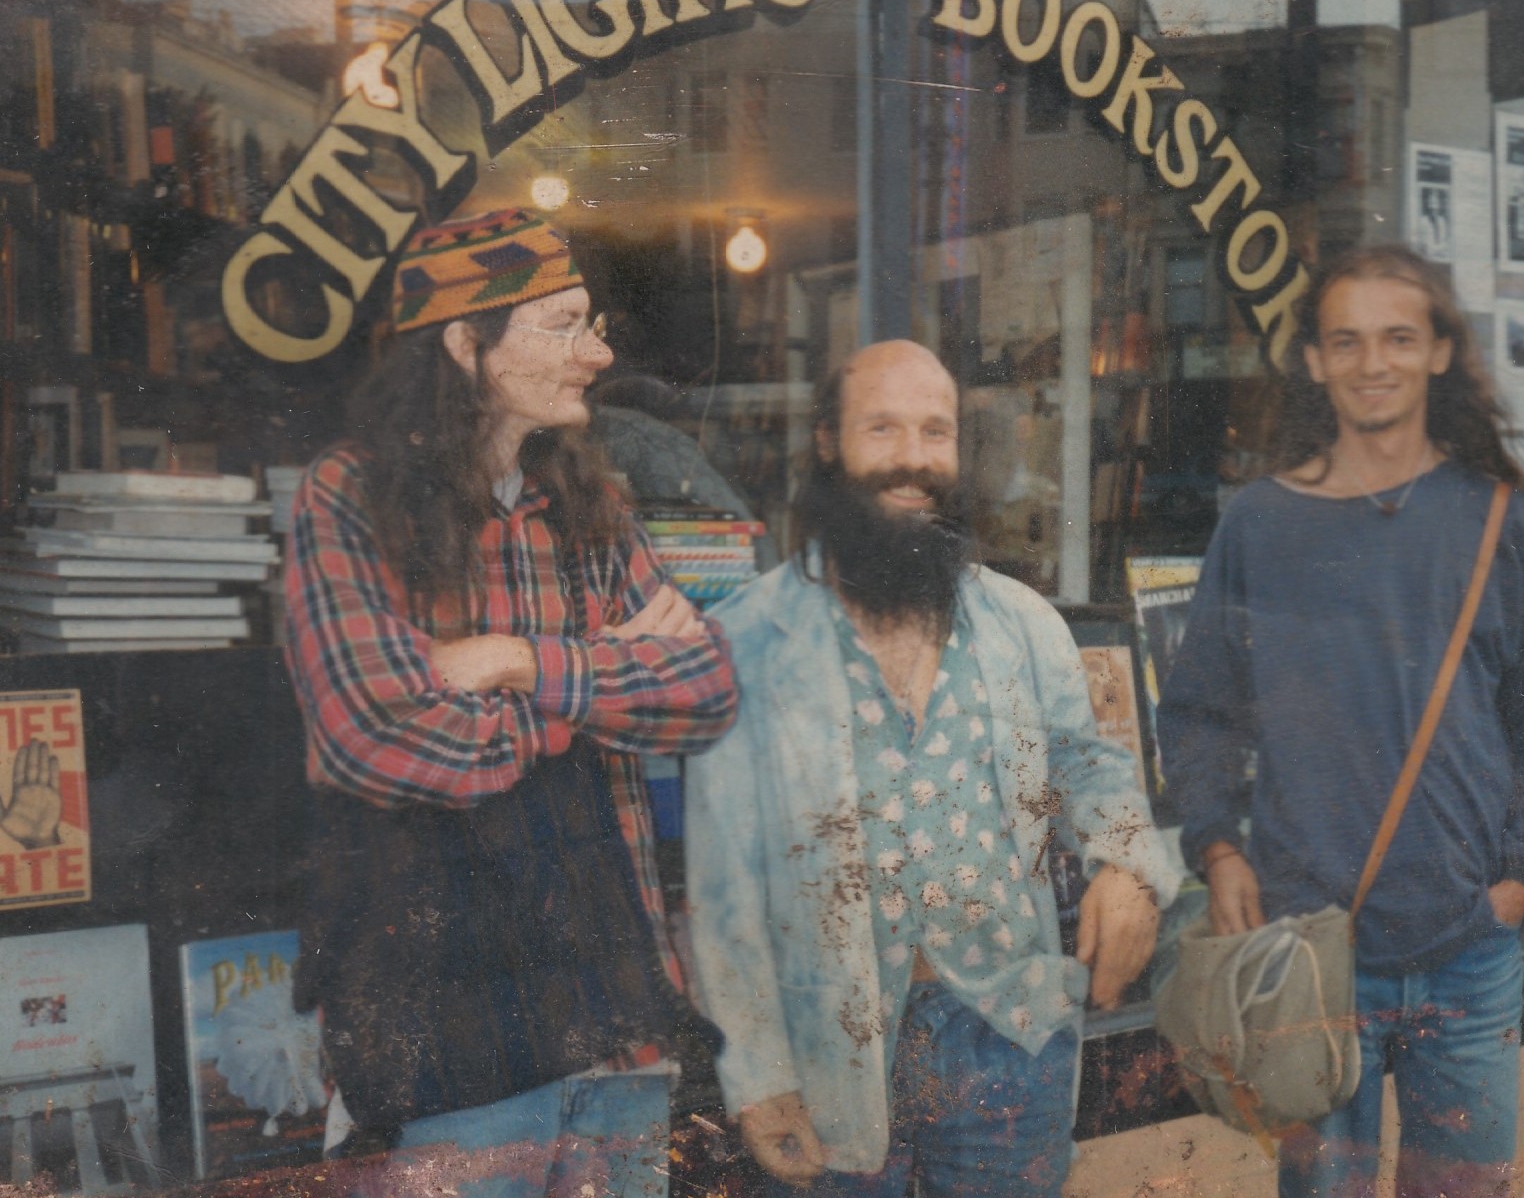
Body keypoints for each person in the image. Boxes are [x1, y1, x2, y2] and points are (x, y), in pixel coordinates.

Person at [280, 207, 738, 1198]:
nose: (597, 353)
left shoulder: (586, 503)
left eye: (592, 323)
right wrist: (600, 673)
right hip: (448, 1040)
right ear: (464, 344)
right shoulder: (349, 496)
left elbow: (705, 691)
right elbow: (380, 737)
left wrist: (511, 662)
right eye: (563, 325)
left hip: (615, 1023)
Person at [685, 340, 1182, 1198]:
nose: (912, 458)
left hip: (1009, 1034)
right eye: (882, 428)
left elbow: (1086, 766)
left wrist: (1130, 864)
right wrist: (758, 1075)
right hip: (829, 1047)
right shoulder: (746, 640)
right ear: (829, 443)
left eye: (935, 431)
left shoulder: (1021, 622)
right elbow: (721, 889)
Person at [1159, 244, 1524, 1198]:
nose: (1372, 362)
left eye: (1398, 337)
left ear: (1437, 352)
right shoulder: (1260, 523)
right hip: (1312, 955)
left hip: (1467, 950)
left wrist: (1519, 888)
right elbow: (1198, 712)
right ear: (1315, 361)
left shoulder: (1501, 523)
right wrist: (1218, 851)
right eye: (1345, 341)